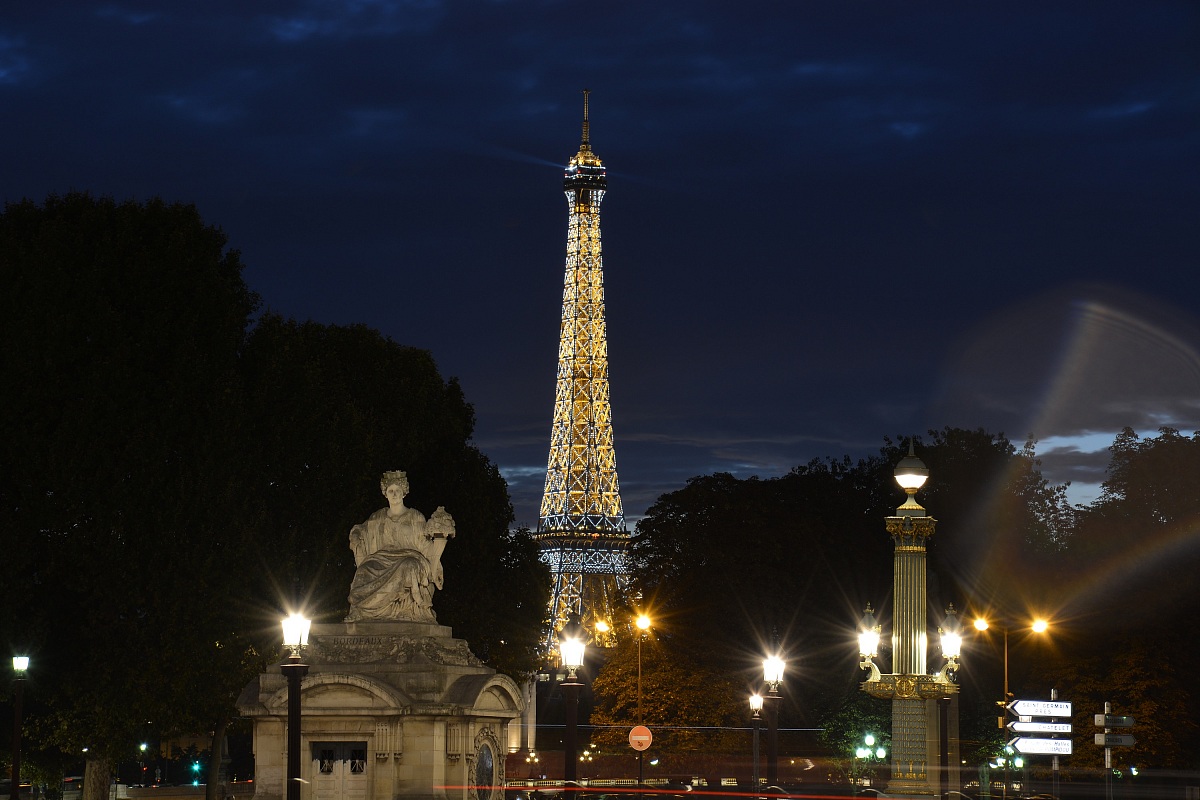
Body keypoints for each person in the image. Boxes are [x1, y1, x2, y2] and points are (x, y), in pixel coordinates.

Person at [345, 470, 455, 623]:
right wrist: (356, 535)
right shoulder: (377, 517)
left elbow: (425, 546)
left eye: (398, 490)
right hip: (381, 559)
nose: (394, 494)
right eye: (391, 491)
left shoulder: (415, 517)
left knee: (407, 566)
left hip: (410, 558)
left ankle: (397, 609)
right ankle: (361, 609)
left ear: (404, 492)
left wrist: (437, 552)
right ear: (385, 493)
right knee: (364, 570)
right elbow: (361, 530)